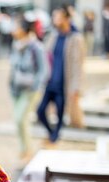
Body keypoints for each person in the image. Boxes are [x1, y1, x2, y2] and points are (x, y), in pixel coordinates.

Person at [36, 6, 85, 145]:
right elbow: (45, 56)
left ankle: (55, 137)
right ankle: (52, 134)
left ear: (66, 18)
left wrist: (76, 87)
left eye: (57, 16)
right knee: (40, 111)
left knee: (60, 114)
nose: (54, 20)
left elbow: (78, 66)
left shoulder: (76, 38)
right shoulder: (53, 36)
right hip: (50, 83)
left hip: (64, 85)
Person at [9, 17, 47, 161]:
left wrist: (35, 86)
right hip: (16, 89)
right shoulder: (16, 45)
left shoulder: (36, 47)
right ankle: (23, 149)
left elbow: (44, 70)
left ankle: (28, 150)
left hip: (30, 90)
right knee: (18, 120)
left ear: (24, 30)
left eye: (16, 27)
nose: (13, 30)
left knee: (21, 119)